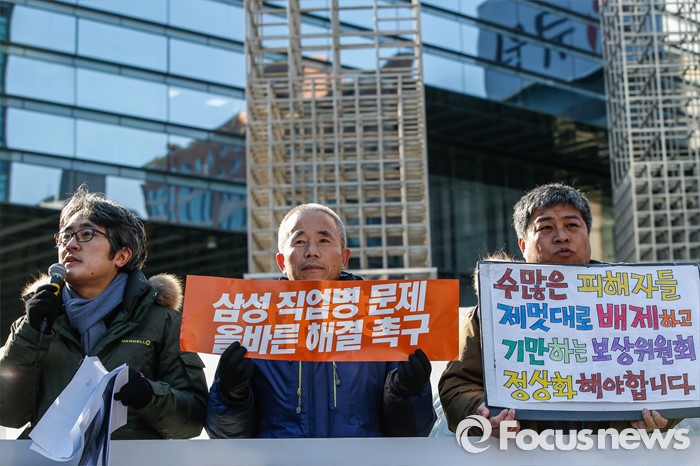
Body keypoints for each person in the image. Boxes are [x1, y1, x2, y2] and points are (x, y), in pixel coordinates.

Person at [438, 182, 682, 436]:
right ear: (523, 245)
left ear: (588, 234)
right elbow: (458, 385)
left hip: (616, 450)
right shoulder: (493, 311)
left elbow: (676, 375)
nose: (562, 236)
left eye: (572, 225)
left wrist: (665, 413)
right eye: (545, 227)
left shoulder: (635, 304)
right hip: (523, 451)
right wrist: (482, 413)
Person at [206, 203, 436, 438]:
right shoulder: (251, 324)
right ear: (281, 262)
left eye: (324, 240)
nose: (312, 251)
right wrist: (231, 394)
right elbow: (225, 435)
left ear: (344, 257)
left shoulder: (384, 321)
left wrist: (406, 391)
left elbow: (414, 431)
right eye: (299, 241)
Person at [0, 185, 208, 439]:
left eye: (86, 234)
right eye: (65, 236)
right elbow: (7, 414)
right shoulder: (36, 320)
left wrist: (149, 396)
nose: (70, 245)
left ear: (121, 256)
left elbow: (191, 422)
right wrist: (30, 333)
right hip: (45, 457)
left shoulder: (164, 321)